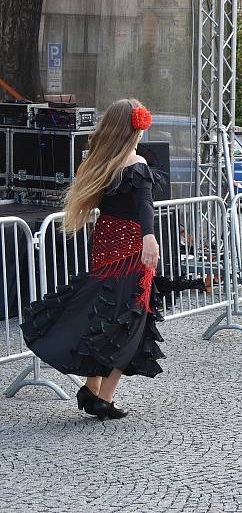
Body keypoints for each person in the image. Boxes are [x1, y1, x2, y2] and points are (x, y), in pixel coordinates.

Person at [21, 99, 164, 420]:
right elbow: (145, 207)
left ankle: (92, 389)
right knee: (130, 323)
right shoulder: (136, 165)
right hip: (130, 251)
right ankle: (103, 398)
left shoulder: (103, 164)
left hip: (107, 245)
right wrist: (149, 238)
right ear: (134, 130)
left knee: (107, 316)